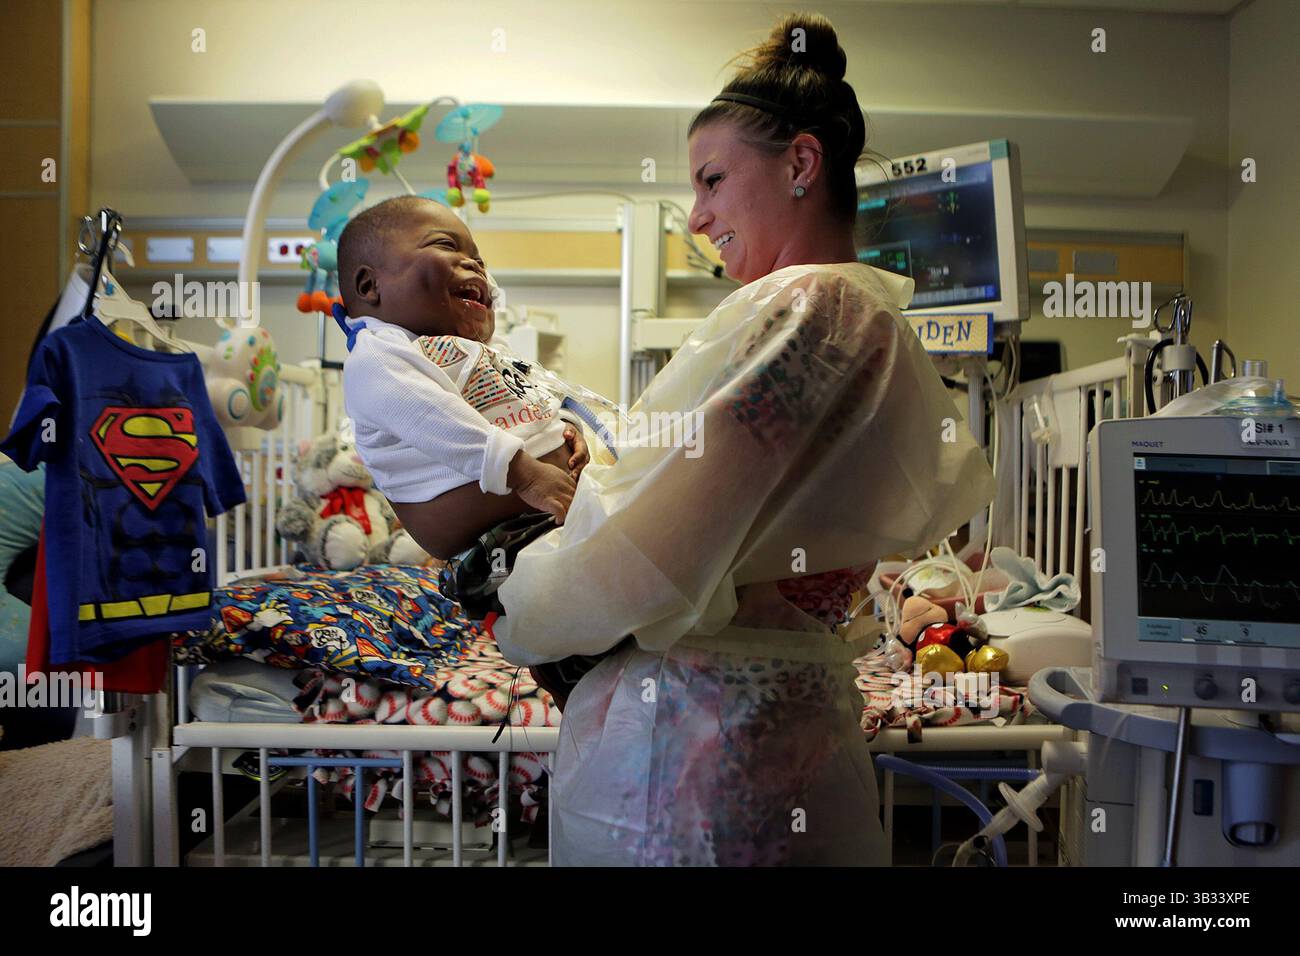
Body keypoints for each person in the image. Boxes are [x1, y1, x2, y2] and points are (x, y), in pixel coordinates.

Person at [492, 13, 997, 865]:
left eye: (714, 180)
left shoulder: (814, 313)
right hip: (765, 733)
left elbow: (640, 561)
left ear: (801, 163)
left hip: (699, 759)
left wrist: (522, 604)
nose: (697, 216)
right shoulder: (860, 317)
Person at [336, 196, 590, 561]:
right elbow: (434, 418)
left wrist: (567, 428)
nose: (474, 264)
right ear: (369, 286)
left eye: (480, 261)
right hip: (491, 530)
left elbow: (531, 387)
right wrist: (526, 476)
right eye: (445, 245)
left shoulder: (479, 348)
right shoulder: (377, 355)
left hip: (547, 513)